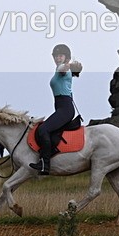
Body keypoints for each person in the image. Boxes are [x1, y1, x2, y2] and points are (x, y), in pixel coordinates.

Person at [29, 44, 82, 175]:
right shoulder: (58, 69)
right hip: (61, 108)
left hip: (65, 109)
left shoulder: (62, 69)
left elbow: (62, 69)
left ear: (66, 57)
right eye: (56, 56)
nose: (58, 58)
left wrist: (67, 64)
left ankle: (45, 164)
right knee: (48, 130)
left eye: (61, 56)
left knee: (43, 129)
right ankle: (52, 153)